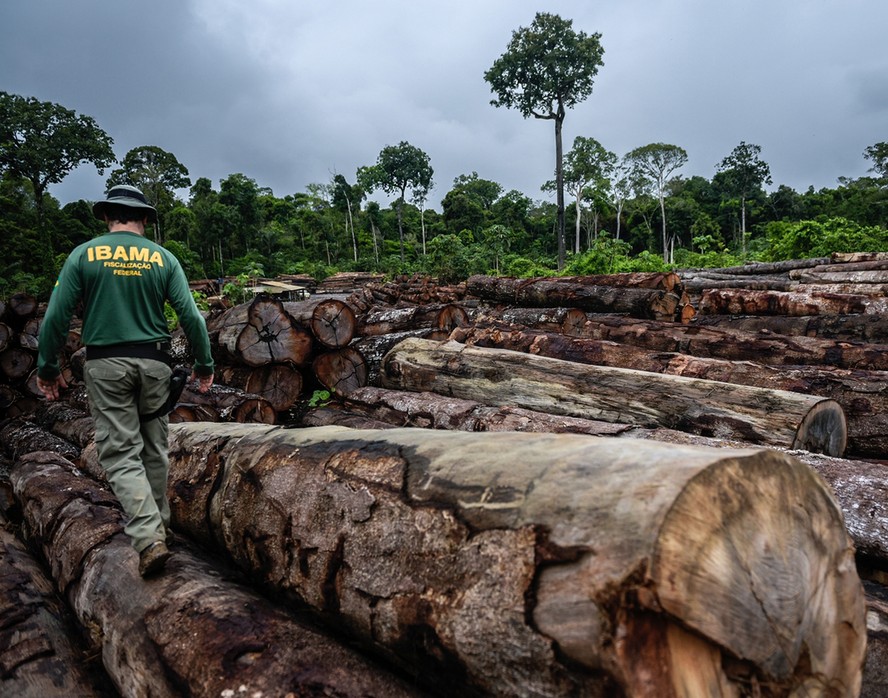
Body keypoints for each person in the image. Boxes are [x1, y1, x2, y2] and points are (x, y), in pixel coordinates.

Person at [36, 185, 215, 578]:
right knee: (154, 447)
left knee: (119, 453)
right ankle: (159, 529)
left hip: (106, 365)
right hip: (155, 364)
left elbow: (55, 318)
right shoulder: (163, 258)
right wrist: (204, 363)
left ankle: (149, 538)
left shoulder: (84, 254)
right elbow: (192, 317)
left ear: (106, 217)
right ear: (145, 219)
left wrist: (47, 368)